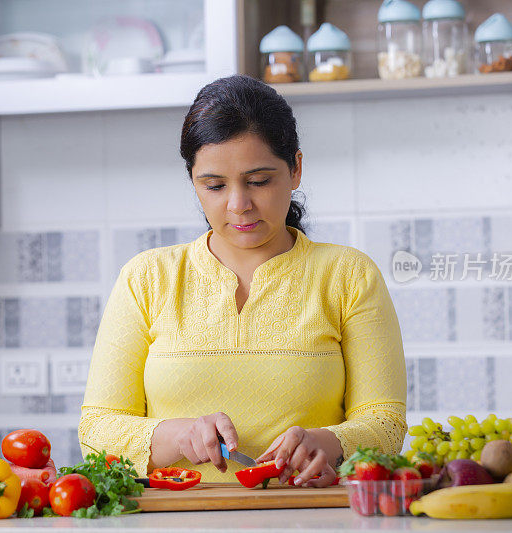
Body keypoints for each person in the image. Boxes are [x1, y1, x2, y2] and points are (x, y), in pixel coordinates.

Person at [79, 74, 407, 486]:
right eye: (214, 186)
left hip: (311, 518)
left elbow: (386, 424)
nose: (239, 205)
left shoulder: (348, 275)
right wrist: (180, 435)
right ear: (194, 183)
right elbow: (95, 432)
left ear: (296, 169)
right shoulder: (146, 279)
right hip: (172, 521)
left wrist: (329, 441)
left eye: (259, 181)